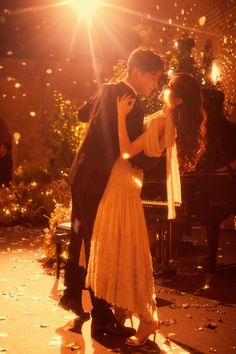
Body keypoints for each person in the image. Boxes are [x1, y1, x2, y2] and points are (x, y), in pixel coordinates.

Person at [86, 73, 206, 346]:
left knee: (126, 247)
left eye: (169, 87)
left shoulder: (164, 121)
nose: (163, 87)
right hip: (123, 182)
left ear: (178, 99)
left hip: (121, 181)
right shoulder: (166, 119)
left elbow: (127, 152)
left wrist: (118, 115)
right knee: (122, 245)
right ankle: (126, 305)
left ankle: (147, 318)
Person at [59, 48, 164, 337]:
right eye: (153, 77)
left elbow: (83, 115)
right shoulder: (132, 101)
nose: (154, 84)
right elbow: (127, 151)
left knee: (80, 236)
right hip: (99, 179)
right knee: (97, 244)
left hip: (81, 173)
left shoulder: (107, 89)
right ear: (137, 72)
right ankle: (102, 318)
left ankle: (72, 296)